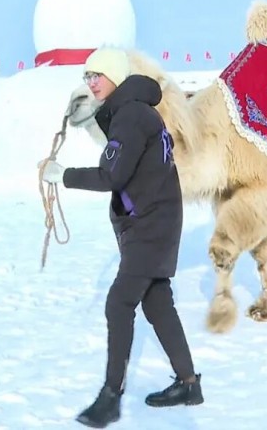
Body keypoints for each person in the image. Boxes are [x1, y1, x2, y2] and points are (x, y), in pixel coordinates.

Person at [39, 47, 203, 428]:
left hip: (149, 226)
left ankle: (111, 397)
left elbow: (111, 176)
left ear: (117, 76)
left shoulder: (130, 115)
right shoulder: (136, 112)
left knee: (119, 304)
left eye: (98, 74)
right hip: (154, 222)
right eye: (87, 76)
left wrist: (61, 174)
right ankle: (188, 383)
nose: (91, 82)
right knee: (158, 304)